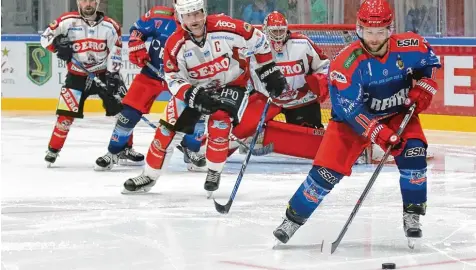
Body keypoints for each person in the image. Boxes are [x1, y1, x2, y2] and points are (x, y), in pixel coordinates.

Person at [272, 0, 441, 248]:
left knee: (414, 153)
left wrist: (426, 85)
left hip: (395, 113)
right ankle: (292, 219)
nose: (374, 38)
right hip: (350, 124)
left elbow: (430, 63)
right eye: (369, 32)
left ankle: (413, 213)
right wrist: (380, 134)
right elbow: (350, 110)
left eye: (380, 32)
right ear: (359, 29)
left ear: (390, 30)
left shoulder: (410, 44)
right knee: (324, 175)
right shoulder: (345, 63)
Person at [122, 0, 287, 194]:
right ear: (180, 17)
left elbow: (258, 39)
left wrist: (269, 69)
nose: (195, 20)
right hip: (195, 88)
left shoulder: (226, 27)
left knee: (220, 123)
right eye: (189, 15)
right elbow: (173, 78)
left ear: (204, 12)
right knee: (166, 130)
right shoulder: (175, 44)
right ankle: (149, 175)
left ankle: (214, 171)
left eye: (197, 14)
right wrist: (192, 95)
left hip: (231, 83)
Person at [41, 0, 124, 167]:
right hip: (76, 75)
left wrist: (113, 75)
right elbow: (45, 38)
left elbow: (115, 52)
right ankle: (53, 149)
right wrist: (57, 47)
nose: (88, 4)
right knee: (65, 116)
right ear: (78, 1)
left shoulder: (111, 26)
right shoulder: (66, 21)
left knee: (123, 113)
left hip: (103, 74)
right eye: (84, 0)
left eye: (92, 0)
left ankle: (126, 148)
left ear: (97, 2)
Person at [94, 5, 177, 170]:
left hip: (180, 78)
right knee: (128, 113)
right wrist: (136, 45)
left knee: (191, 117)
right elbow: (137, 31)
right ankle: (114, 152)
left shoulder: (204, 25)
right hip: (151, 74)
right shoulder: (159, 15)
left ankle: (193, 150)